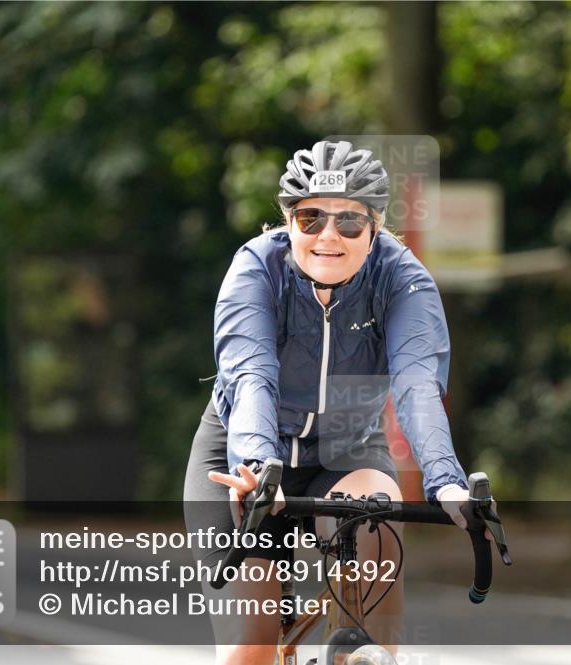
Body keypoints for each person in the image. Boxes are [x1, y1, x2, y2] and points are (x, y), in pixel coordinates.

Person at [184, 139, 476, 665]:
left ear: (376, 227)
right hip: (243, 461)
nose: (328, 237)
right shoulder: (256, 270)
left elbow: (417, 386)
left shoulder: (402, 280)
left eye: (349, 223)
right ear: (288, 222)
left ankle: (370, 655)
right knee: (253, 642)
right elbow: (251, 377)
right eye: (311, 218)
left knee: (377, 527)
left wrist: (447, 480)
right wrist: (256, 466)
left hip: (346, 450)